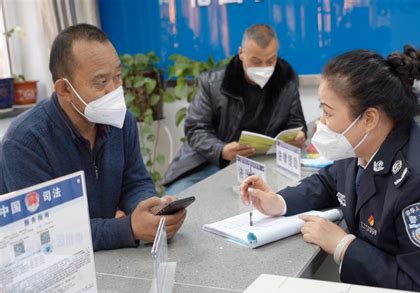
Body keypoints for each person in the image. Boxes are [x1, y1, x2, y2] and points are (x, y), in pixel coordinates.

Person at [240, 45, 420, 293]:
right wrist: (279, 202)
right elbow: (328, 182)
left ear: (369, 119)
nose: (321, 123)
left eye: (328, 113)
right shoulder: (365, 145)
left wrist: (343, 245)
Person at [0, 24, 186, 251]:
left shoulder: (121, 121)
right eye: (101, 81)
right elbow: (46, 233)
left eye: (117, 76)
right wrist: (129, 229)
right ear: (65, 89)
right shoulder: (24, 142)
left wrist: (151, 210)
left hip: (108, 258)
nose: (114, 90)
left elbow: (134, 181)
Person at [163, 24, 307, 194]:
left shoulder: (286, 81)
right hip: (210, 163)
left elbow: (296, 122)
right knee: (175, 200)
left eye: (270, 61)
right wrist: (221, 150)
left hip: (262, 163)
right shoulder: (212, 83)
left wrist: (298, 135)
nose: (263, 67)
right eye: (255, 61)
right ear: (241, 53)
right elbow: (195, 128)